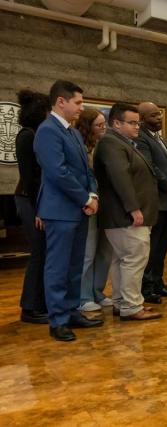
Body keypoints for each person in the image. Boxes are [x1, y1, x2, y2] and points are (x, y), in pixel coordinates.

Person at [34, 80, 103, 341]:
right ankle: (58, 320)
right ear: (61, 102)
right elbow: (57, 173)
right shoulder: (47, 130)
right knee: (58, 268)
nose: (81, 108)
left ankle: (73, 311)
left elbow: (86, 170)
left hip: (79, 208)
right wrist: (85, 198)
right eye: (78, 103)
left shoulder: (73, 132)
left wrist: (93, 194)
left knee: (75, 266)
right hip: (61, 210)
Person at [93, 103, 161, 321]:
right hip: (125, 216)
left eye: (137, 123)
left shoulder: (122, 143)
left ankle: (123, 302)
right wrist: (134, 208)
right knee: (134, 258)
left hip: (124, 215)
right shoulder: (112, 144)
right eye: (132, 123)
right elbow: (120, 178)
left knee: (122, 260)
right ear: (116, 123)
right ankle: (131, 306)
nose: (137, 127)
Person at [136, 102, 167, 303]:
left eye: (159, 115)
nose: (159, 119)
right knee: (153, 247)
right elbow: (150, 166)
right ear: (143, 118)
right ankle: (147, 288)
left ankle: (158, 283)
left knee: (163, 246)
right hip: (157, 199)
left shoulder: (161, 138)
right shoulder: (141, 138)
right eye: (154, 116)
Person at [14, 89, 50, 324]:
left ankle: (39, 302)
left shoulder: (35, 133)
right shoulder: (27, 136)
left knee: (43, 252)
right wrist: (41, 210)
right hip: (29, 199)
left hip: (33, 199)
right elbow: (31, 178)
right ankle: (29, 307)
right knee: (38, 252)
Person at [75, 108, 113, 312]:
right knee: (88, 253)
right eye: (99, 125)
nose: (103, 128)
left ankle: (98, 291)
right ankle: (83, 296)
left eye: (104, 124)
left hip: (107, 205)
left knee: (105, 252)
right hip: (90, 204)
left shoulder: (102, 145)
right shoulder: (80, 147)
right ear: (87, 127)